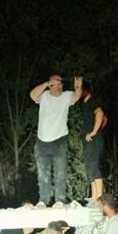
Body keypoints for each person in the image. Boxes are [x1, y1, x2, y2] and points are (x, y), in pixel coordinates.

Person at [29, 74, 82, 206]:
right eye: (54, 84)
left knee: (60, 172)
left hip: (59, 140)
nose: (58, 87)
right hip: (42, 141)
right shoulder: (44, 96)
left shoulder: (66, 96)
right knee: (43, 173)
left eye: (60, 84)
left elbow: (77, 96)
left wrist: (78, 88)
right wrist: (45, 84)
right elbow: (32, 95)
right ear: (50, 86)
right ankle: (43, 200)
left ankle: (60, 200)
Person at [79, 82, 107, 200]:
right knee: (90, 167)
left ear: (85, 90)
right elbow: (105, 120)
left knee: (94, 165)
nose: (77, 92)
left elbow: (100, 114)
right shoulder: (85, 104)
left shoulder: (92, 101)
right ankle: (94, 196)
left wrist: (95, 132)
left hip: (94, 140)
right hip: (88, 141)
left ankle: (100, 197)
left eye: (79, 89)